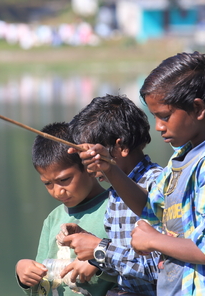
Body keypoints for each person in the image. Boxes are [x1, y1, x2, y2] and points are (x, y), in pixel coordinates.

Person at [67, 52, 205, 295]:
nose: (158, 127)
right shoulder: (181, 159)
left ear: (198, 108)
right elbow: (149, 207)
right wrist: (109, 168)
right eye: (155, 117)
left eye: (165, 116)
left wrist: (153, 240)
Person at [58, 94, 162, 296]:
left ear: (121, 147)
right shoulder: (114, 194)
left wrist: (101, 249)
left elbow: (159, 269)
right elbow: (122, 266)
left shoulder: (157, 185)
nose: (88, 168)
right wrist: (90, 243)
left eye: (91, 156)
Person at [15, 122, 116, 296]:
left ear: (88, 167)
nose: (58, 191)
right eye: (47, 183)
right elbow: (43, 286)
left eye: (65, 179)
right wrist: (24, 273)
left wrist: (97, 263)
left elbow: (134, 267)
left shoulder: (116, 207)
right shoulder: (53, 219)